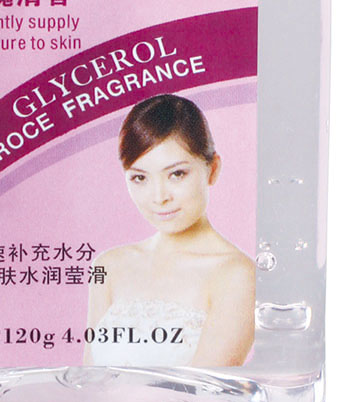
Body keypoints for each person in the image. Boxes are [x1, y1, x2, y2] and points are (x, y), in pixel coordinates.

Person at [84, 94, 254, 367]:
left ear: (212, 169)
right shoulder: (109, 266)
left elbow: (205, 390)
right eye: (140, 177)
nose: (159, 197)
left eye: (176, 174)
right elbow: (87, 381)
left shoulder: (236, 274)